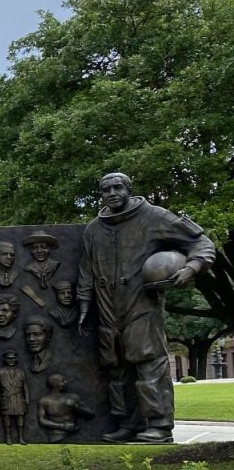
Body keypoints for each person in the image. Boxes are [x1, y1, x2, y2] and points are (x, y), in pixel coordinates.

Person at [77, 171, 214, 443]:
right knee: (116, 368)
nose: (112, 193)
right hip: (107, 307)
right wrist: (83, 303)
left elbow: (203, 244)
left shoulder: (154, 216)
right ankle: (128, 423)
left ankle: (158, 425)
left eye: (118, 187)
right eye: (106, 190)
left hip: (141, 303)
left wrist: (191, 268)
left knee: (149, 363)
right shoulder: (94, 229)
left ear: (129, 189)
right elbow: (87, 269)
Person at [37, 374, 93, 443]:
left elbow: (90, 414)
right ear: (55, 384)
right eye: (62, 381)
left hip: (73, 433)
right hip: (56, 436)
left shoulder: (73, 397)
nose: (66, 382)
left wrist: (76, 407)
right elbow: (42, 420)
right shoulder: (44, 401)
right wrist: (62, 426)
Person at [0, 350, 29, 445]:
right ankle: (8, 438)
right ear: (5, 359)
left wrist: (27, 400)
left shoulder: (20, 372)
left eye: (13, 358)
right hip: (7, 398)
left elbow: (25, 388)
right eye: (9, 358)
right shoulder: (0, 372)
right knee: (6, 419)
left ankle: (20, 438)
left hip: (18, 398)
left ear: (16, 359)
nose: (11, 360)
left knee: (20, 418)